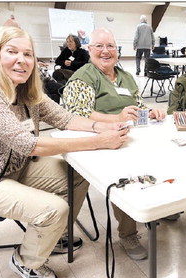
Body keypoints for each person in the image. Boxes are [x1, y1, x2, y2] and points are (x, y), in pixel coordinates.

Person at [0, 26, 129, 278]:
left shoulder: (26, 90)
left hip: (17, 166)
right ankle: (26, 261)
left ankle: (53, 237)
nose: (22, 60)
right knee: (54, 209)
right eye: (12, 52)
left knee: (77, 173)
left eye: (28, 54)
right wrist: (98, 141)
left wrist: (105, 125)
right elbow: (30, 144)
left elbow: (64, 118)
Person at [62, 28, 165, 260]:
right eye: (99, 46)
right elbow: (78, 114)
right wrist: (117, 118)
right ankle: (128, 232)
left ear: (117, 51)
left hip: (132, 136)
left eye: (110, 46)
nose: (105, 51)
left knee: (165, 153)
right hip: (98, 140)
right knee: (126, 172)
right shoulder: (84, 77)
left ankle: (161, 206)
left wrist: (152, 112)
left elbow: (137, 107)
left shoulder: (125, 76)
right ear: (90, 50)